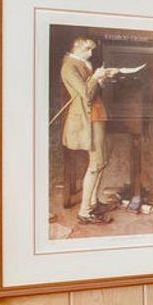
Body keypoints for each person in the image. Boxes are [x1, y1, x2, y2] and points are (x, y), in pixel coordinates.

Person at [60, 36, 115, 224]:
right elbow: (86, 95)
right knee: (96, 163)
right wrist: (97, 77)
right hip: (87, 118)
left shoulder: (83, 64)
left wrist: (102, 78)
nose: (91, 53)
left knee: (102, 161)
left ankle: (92, 202)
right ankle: (85, 212)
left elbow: (94, 91)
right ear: (76, 48)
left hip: (97, 115)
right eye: (87, 49)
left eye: (92, 49)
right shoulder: (69, 66)